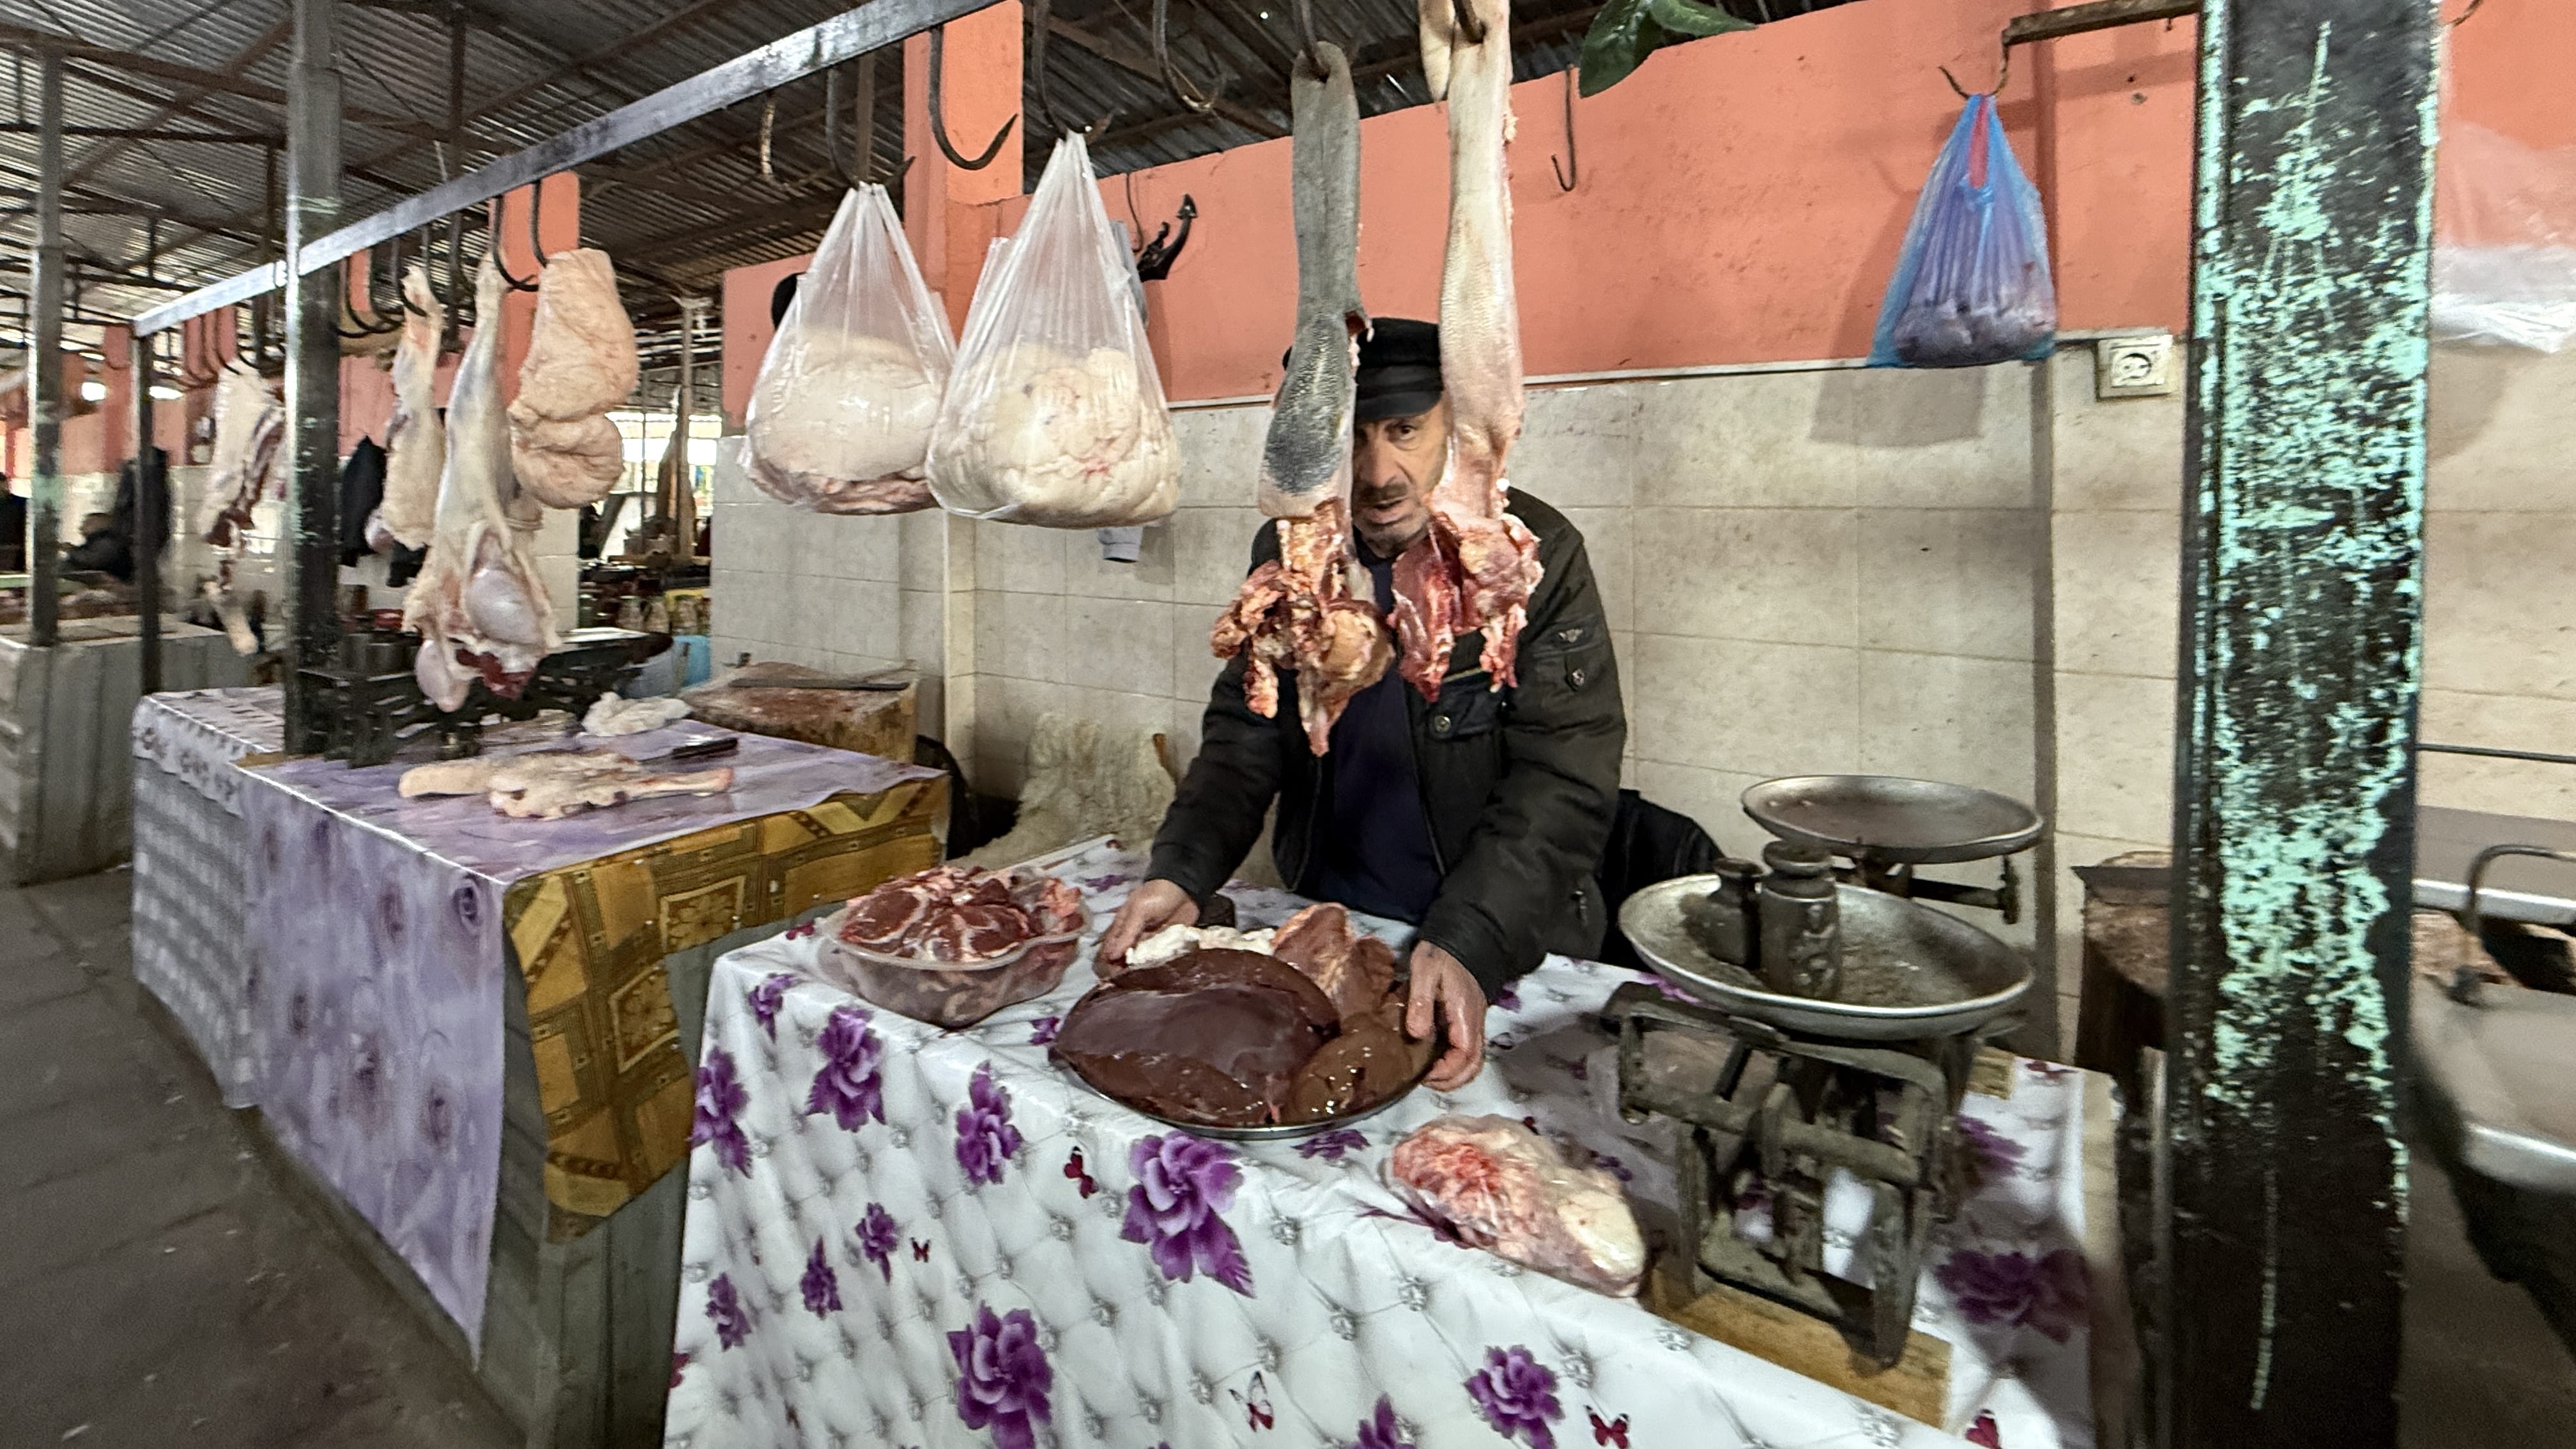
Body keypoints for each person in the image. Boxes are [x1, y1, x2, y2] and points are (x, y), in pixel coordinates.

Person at [1101, 319, 1626, 1091]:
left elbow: (1566, 774)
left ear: (1454, 428)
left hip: (1495, 934)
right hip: (1334, 926)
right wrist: (1182, 869)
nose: (1379, 472)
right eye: (1353, 438)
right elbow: (1248, 732)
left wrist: (1472, 936)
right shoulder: (1296, 555)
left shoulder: (1527, 554)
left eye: (1406, 431)